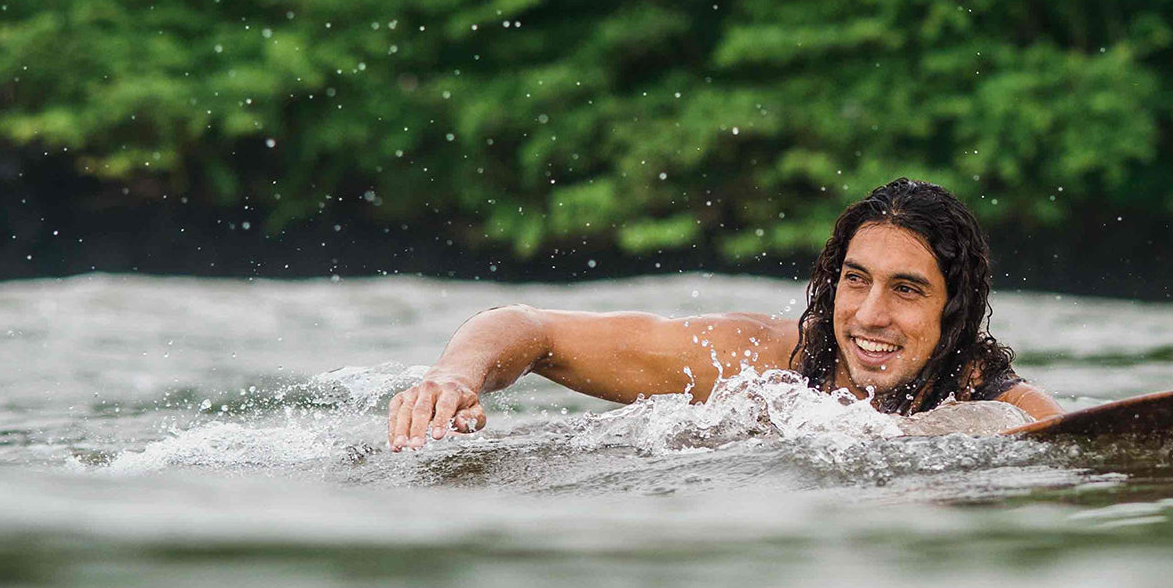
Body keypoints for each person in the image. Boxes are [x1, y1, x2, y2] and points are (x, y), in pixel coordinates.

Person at [387, 178, 1062, 451]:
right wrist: (453, 378)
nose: (870, 315)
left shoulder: (1012, 409)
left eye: (907, 290)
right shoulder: (764, 360)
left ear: (956, 310)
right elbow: (531, 329)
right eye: (856, 282)